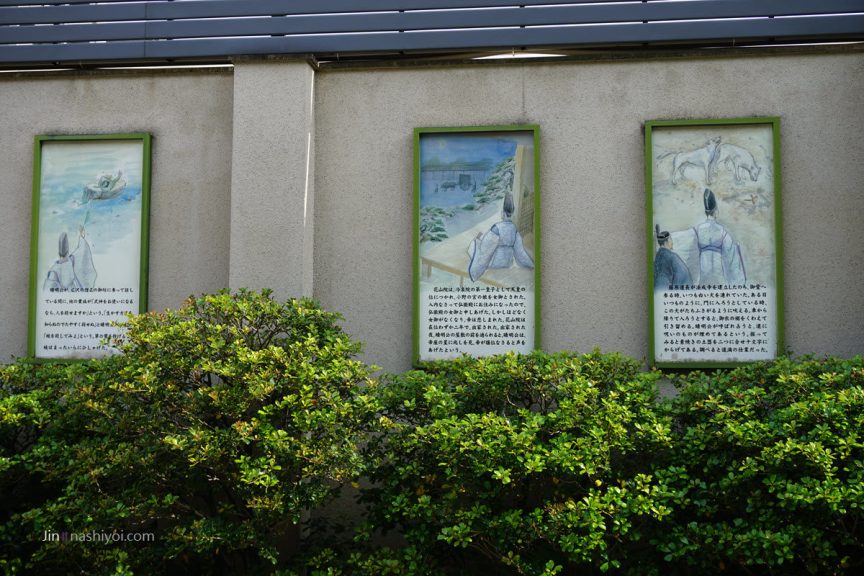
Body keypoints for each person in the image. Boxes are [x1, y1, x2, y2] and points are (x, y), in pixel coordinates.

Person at [467, 191, 534, 282]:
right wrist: (531, 265)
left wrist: (476, 272)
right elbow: (520, 253)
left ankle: (476, 241)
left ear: (502, 213)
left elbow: (486, 253)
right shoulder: (514, 229)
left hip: (495, 263)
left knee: (475, 244)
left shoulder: (496, 228)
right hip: (507, 262)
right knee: (479, 243)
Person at [689, 188, 746, 286]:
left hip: (703, 278)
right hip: (719, 278)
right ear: (715, 211)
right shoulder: (722, 231)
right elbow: (732, 259)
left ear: (706, 212)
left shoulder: (697, 230)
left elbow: (690, 254)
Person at [653, 224, 692, 289]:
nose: (672, 242)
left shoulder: (657, 257)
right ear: (666, 242)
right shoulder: (673, 257)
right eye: (671, 239)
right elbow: (683, 275)